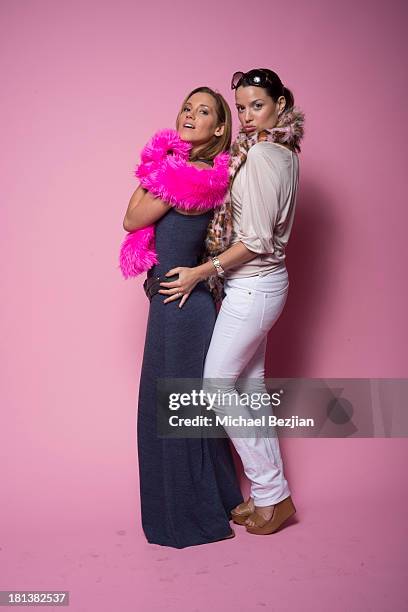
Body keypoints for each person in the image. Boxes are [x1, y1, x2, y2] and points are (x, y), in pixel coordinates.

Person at [159, 69, 305, 535]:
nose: (245, 116)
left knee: (219, 389)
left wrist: (202, 271)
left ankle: (269, 492)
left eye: (256, 106)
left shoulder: (261, 154)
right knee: (249, 390)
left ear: (281, 104)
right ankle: (272, 496)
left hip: (254, 286)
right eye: (239, 107)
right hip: (264, 287)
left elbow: (257, 240)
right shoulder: (282, 151)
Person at [122, 86, 244, 548]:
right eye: (187, 108)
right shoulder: (175, 168)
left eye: (205, 112)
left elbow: (134, 220)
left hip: (182, 308)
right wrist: (159, 164)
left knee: (177, 410)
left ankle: (191, 513)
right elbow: (130, 213)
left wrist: (158, 168)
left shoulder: (192, 175)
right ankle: (212, 500)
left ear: (218, 128)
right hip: (169, 305)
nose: (192, 115)